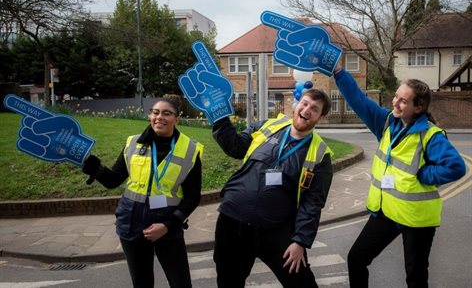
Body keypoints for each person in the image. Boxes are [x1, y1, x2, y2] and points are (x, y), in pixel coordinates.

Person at [331, 63, 466, 288]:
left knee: (415, 277)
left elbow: (456, 167)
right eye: (396, 97)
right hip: (388, 212)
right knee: (356, 258)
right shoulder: (386, 122)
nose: (395, 102)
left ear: (418, 107)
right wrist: (338, 72)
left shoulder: (430, 136)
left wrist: (425, 175)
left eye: (403, 100)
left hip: (416, 218)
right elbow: (359, 101)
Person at [212, 89, 334, 288]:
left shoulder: (321, 155)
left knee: (302, 283)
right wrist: (219, 118)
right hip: (233, 221)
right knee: (228, 281)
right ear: (297, 105)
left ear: (320, 117)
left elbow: (312, 204)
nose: (307, 110)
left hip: (276, 230)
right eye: (305, 103)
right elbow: (235, 147)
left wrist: (300, 241)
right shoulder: (268, 126)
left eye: (315, 108)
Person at [82, 98, 203, 288]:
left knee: (181, 283)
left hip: (167, 226)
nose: (159, 117)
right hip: (131, 223)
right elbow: (113, 180)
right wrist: (91, 164)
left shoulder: (190, 149)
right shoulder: (133, 143)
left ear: (176, 119)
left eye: (166, 113)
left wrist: (167, 225)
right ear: (149, 116)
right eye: (155, 112)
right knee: (142, 283)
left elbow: (193, 196)